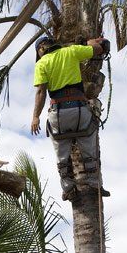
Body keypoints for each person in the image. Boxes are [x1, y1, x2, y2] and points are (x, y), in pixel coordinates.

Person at [31, 36, 110, 201]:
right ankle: (95, 184)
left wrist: (35, 117)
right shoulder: (71, 51)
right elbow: (99, 48)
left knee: (62, 156)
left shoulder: (42, 63)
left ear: (40, 51)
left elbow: (40, 92)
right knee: (90, 151)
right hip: (79, 110)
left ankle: (69, 189)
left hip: (58, 114)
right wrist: (92, 43)